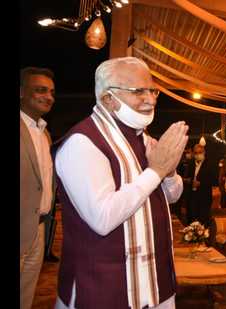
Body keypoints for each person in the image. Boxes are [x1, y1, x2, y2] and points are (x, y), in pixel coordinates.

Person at [53, 57, 189, 308]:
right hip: (103, 290)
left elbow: (172, 196)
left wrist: (168, 172)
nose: (150, 99)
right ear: (108, 99)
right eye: (138, 91)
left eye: (152, 90)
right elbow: (102, 218)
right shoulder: (82, 143)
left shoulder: (143, 138)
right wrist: (156, 171)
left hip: (156, 285)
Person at [20, 66, 57, 309]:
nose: (49, 97)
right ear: (22, 92)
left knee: (26, 294)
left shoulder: (45, 134)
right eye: (40, 90)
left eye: (52, 92)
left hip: (39, 228)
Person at [182, 143, 217, 227]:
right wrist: (190, 182)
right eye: (196, 153)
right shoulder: (190, 163)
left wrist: (201, 183)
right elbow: (186, 178)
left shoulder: (210, 164)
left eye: (200, 152)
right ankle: (191, 237)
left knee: (203, 221)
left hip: (204, 196)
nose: (198, 155)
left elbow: (214, 180)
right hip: (191, 196)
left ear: (204, 152)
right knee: (191, 219)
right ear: (193, 154)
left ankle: (203, 238)